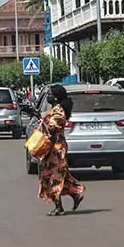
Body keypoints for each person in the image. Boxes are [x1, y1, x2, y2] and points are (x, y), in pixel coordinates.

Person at [37, 85, 85, 216]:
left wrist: (43, 122)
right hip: (53, 147)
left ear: (56, 97)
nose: (48, 96)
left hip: (56, 148)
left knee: (54, 176)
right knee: (60, 175)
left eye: (50, 94)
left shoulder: (58, 110)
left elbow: (53, 128)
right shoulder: (56, 109)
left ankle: (59, 207)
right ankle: (76, 194)